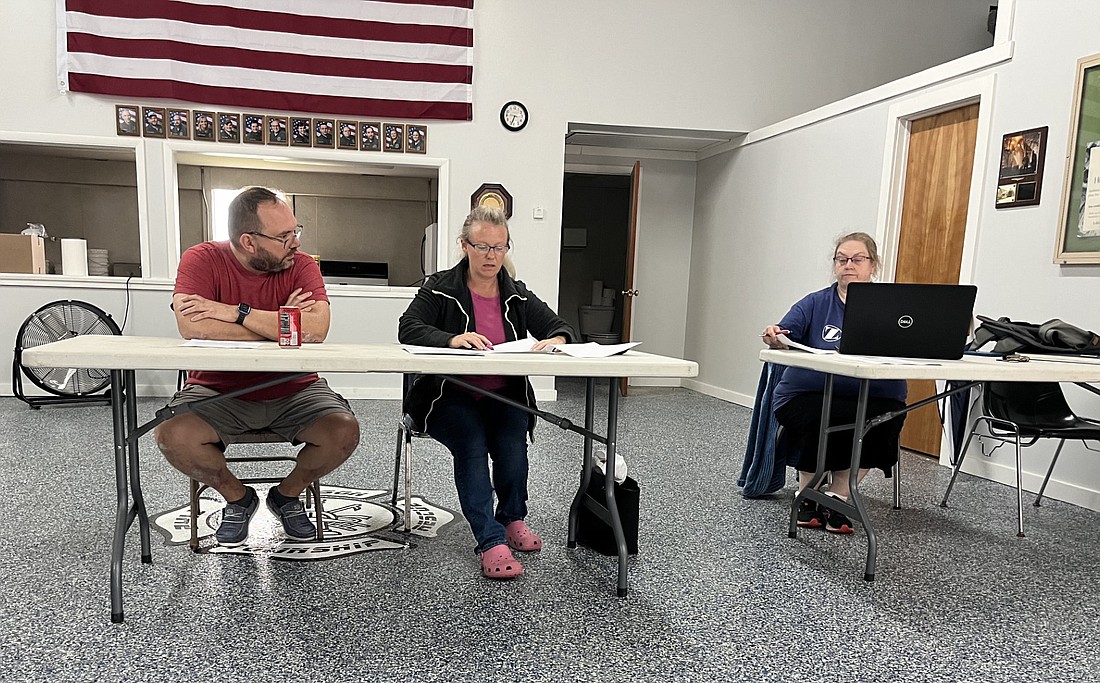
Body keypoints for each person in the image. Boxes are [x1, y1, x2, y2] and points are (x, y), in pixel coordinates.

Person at [155, 187, 360, 546]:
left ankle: (286, 495)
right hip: (217, 390)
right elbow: (193, 327)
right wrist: (283, 325)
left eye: (296, 231)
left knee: (343, 432)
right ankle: (238, 497)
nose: (295, 243)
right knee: (172, 437)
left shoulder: (302, 264)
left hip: (296, 388)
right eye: (284, 237)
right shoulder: (201, 259)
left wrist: (238, 312)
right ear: (249, 242)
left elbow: (316, 329)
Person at [398, 206, 577, 579]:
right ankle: (489, 540)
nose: (491, 256)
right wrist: (451, 339)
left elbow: (557, 325)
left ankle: (512, 517)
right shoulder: (440, 287)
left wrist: (557, 339)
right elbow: (409, 328)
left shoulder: (517, 294)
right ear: (464, 246)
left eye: (499, 247)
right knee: (473, 442)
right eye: (482, 246)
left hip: (503, 394)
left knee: (512, 444)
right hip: (448, 395)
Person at [761, 232, 906, 534]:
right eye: (842, 259)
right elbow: (785, 334)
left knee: (885, 418)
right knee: (823, 415)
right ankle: (806, 496)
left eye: (857, 259)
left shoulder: (894, 308)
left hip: (875, 396)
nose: (848, 265)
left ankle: (837, 497)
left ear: (873, 265)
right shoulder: (815, 303)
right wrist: (776, 337)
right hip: (806, 394)